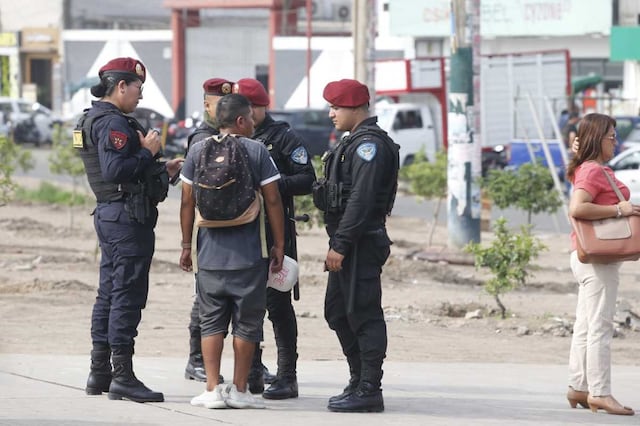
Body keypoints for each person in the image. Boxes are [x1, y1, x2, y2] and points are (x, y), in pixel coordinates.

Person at [79, 57, 182, 403]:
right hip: (125, 218)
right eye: (138, 87)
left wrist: (161, 169)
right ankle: (122, 374)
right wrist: (148, 151)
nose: (140, 94)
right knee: (127, 294)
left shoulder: (95, 118)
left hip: (112, 213)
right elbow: (115, 170)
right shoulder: (113, 124)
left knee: (109, 291)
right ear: (121, 86)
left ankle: (100, 371)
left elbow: (123, 172)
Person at [180, 93, 285, 409]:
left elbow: (187, 202)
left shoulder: (197, 150)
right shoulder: (256, 151)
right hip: (249, 255)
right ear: (241, 120)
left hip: (209, 254)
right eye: (251, 118)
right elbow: (274, 200)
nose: (254, 123)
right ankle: (239, 391)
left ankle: (212, 389)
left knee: (211, 321)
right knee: (247, 323)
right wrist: (278, 245)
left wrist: (186, 245)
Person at [313, 79, 399, 413]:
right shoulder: (353, 143)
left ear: (354, 108)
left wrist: (342, 244)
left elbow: (361, 201)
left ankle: (369, 389)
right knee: (336, 311)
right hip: (347, 241)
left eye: (336, 107)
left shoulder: (369, 147)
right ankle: (358, 378)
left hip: (360, 242)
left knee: (363, 313)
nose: (331, 113)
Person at [233, 78, 316, 399]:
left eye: (248, 108)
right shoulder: (233, 136)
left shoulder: (283, 137)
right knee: (244, 305)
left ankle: (287, 375)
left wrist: (269, 185)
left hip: (276, 230)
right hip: (241, 233)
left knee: (278, 305)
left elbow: (307, 178)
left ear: (259, 108)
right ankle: (252, 370)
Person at [565, 113, 638, 416]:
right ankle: (601, 393)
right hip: (597, 261)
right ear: (598, 139)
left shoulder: (587, 168)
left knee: (585, 324)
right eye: (611, 136)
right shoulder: (593, 171)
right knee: (600, 327)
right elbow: (578, 207)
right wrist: (619, 209)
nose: (615, 141)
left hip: (587, 258)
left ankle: (579, 387)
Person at [183, 77, 234, 384]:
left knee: (240, 296)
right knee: (206, 296)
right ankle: (196, 359)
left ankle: (251, 364)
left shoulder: (230, 135)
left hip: (235, 228)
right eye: (220, 103)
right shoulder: (202, 139)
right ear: (207, 105)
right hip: (209, 228)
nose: (225, 109)